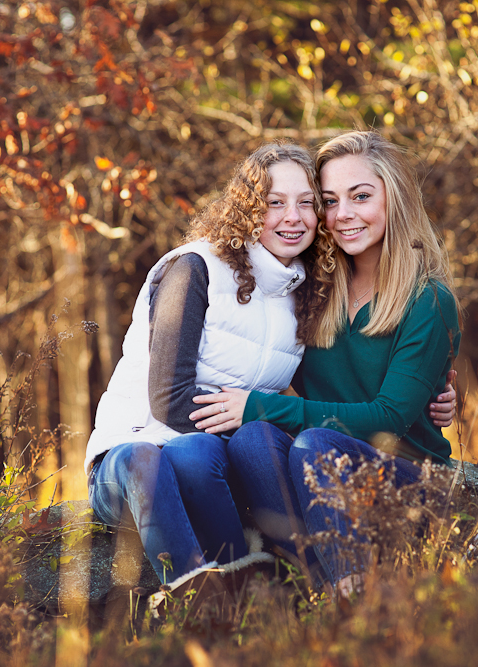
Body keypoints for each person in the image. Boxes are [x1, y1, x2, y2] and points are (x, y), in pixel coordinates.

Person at [189, 131, 461, 593]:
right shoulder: (314, 290)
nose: (343, 214)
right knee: (253, 441)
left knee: (315, 444)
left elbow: (390, 418)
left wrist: (258, 405)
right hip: (323, 479)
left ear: (394, 198)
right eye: (330, 201)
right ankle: (319, 592)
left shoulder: (427, 300)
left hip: (409, 479)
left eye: (361, 196)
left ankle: (353, 598)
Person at [83, 143, 328, 594]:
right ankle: (196, 600)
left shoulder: (304, 290)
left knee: (200, 453)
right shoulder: (196, 268)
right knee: (153, 457)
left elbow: (325, 393)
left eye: (306, 203)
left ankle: (273, 597)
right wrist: (248, 414)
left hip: (206, 462)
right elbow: (168, 399)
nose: (293, 217)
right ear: (248, 209)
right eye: (275, 203)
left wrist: (426, 398)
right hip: (131, 461)